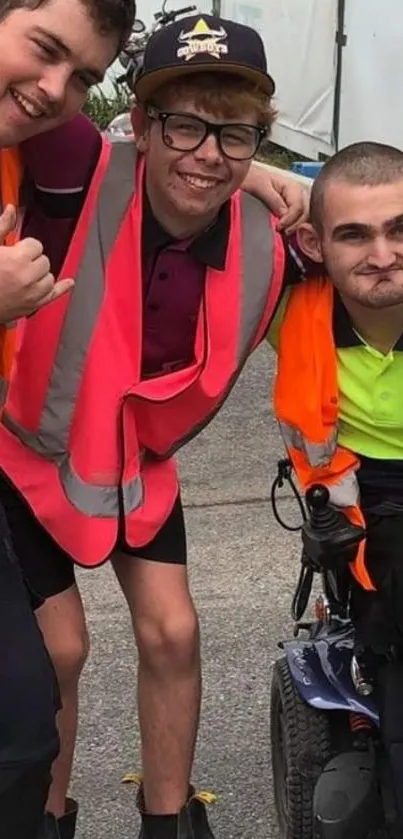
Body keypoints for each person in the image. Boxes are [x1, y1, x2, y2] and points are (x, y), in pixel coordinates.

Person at [0, 13, 312, 838]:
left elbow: (368, 235)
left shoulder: (273, 241)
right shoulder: (80, 173)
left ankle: (169, 822)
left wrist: (283, 184)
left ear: (258, 139)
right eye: (184, 124)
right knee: (61, 649)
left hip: (130, 462)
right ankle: (45, 816)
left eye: (232, 133)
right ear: (140, 124)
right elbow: (37, 107)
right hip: (27, 450)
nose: (207, 154)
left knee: (174, 629)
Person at [0, 0, 135, 837]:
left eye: (83, 74)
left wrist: (264, 173)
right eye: (45, 50)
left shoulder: (33, 143)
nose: (57, 88)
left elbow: (141, 156)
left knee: (24, 723)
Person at [269, 140, 403, 824]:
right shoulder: (289, 311)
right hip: (367, 514)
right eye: (353, 233)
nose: (381, 253)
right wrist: (283, 181)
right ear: (314, 243)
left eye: (398, 228)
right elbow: (198, 192)